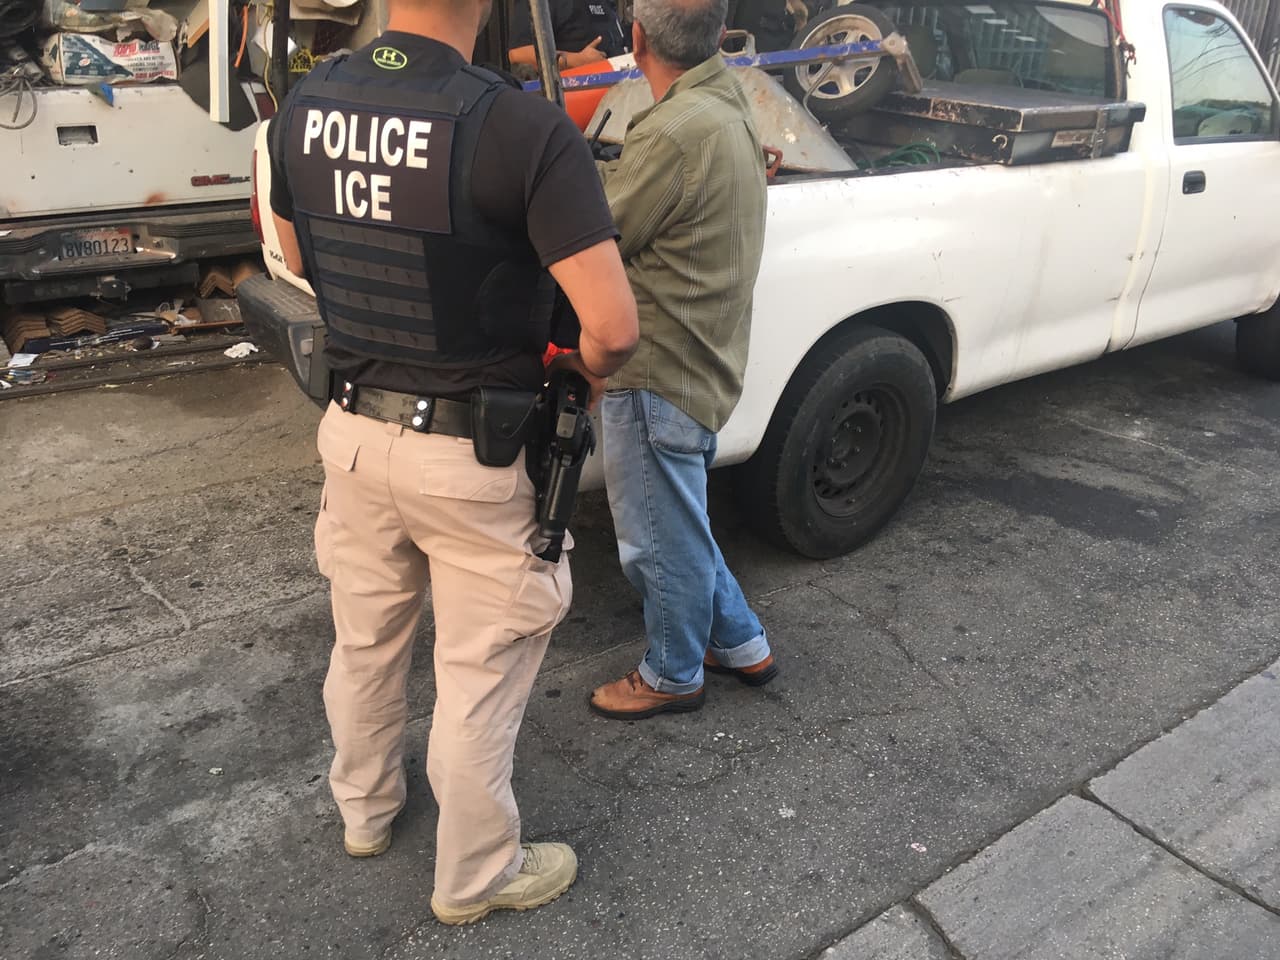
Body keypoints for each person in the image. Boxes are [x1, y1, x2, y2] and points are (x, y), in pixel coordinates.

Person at [265, 0, 639, 924]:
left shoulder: (306, 103)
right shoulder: (522, 128)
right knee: (478, 673)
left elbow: (295, 254)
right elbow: (613, 327)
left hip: (353, 435)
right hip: (475, 457)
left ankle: (365, 812)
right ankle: (476, 876)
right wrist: (583, 374)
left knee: (365, 642)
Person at [588, 0, 774, 721]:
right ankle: (741, 642)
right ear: (719, 34)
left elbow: (601, 233)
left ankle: (672, 674)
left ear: (635, 39)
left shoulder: (670, 131)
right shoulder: (728, 100)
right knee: (680, 520)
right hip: (707, 355)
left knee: (655, 541)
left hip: (659, 366)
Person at [507, 0, 629, 71]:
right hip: (571, 97)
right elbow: (518, 53)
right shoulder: (540, 3)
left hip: (620, 91)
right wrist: (577, 60)